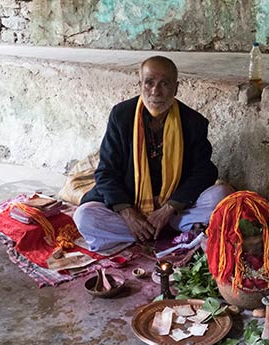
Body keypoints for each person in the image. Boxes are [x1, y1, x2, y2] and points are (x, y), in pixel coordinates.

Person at [73, 56, 232, 252]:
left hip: (173, 210)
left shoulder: (193, 122)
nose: (156, 91)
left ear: (176, 88)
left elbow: (204, 172)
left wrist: (169, 208)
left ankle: (154, 230)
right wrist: (129, 214)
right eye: (149, 83)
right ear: (140, 85)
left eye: (164, 84)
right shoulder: (121, 116)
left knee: (222, 196)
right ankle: (164, 231)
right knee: (85, 217)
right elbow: (106, 172)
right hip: (132, 204)